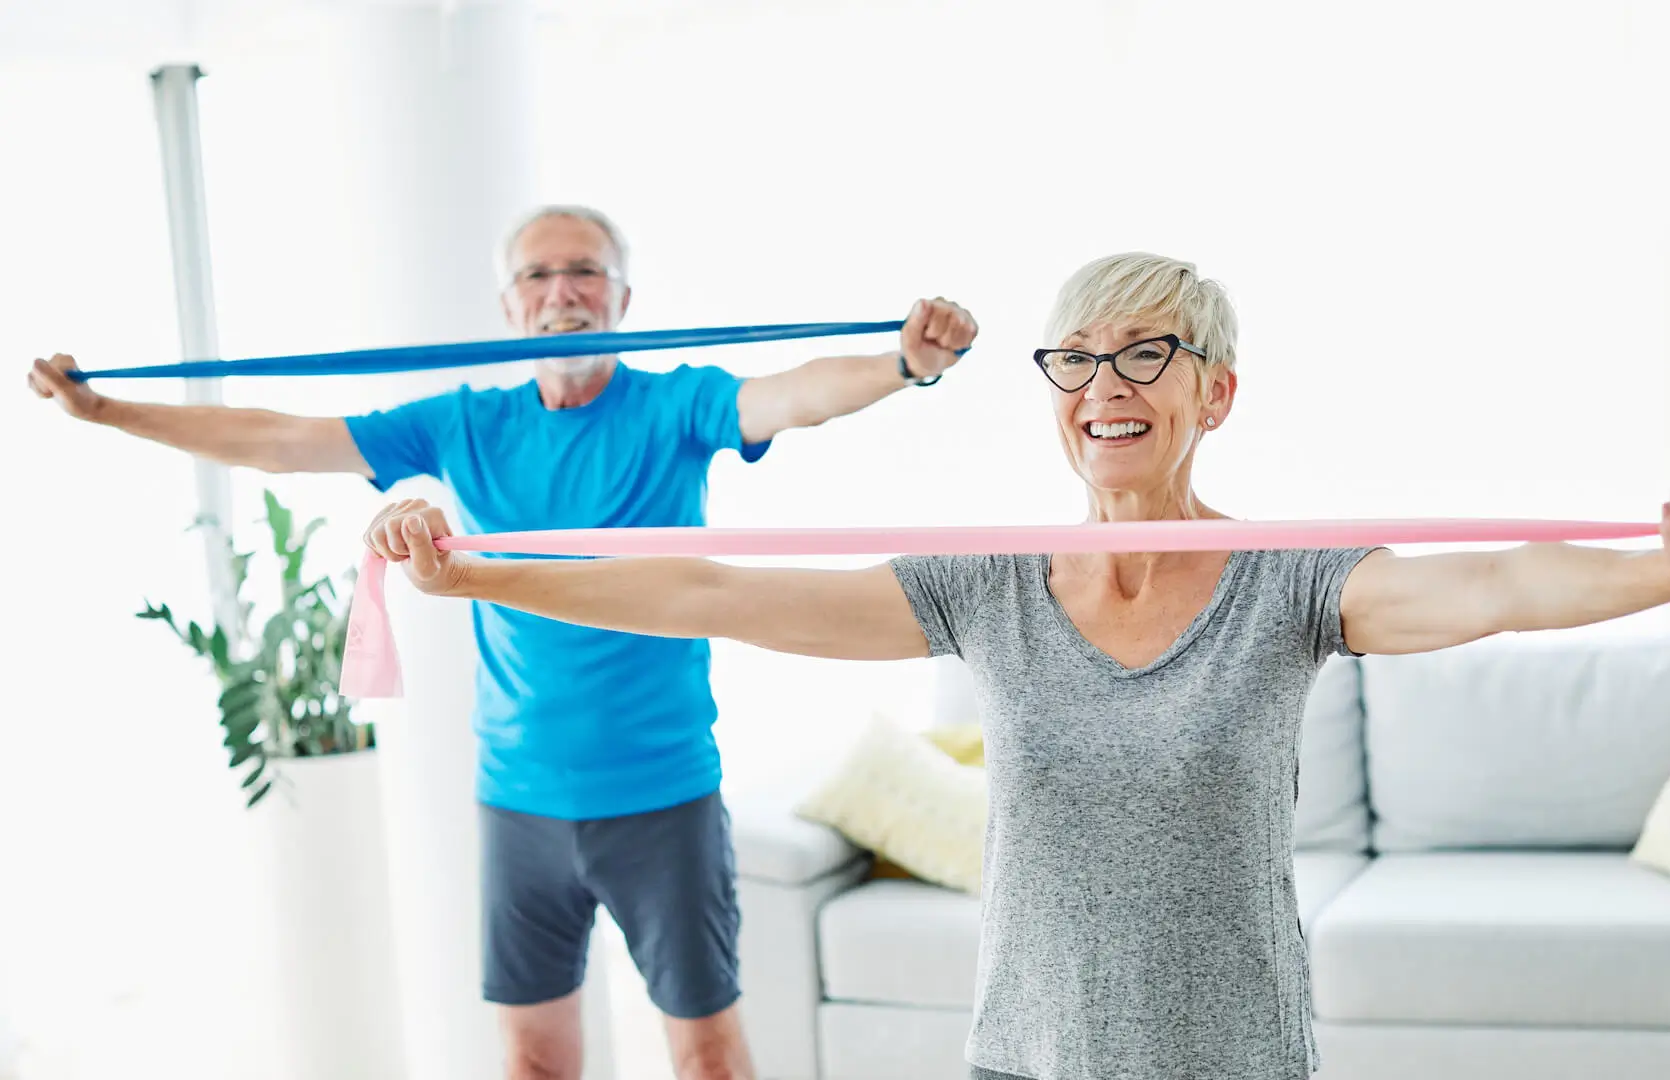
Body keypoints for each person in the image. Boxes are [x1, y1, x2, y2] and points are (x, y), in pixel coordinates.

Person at [357, 251, 1670, 1080]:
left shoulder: (1289, 579)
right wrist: (473, 568)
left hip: (1236, 1057)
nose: (1106, 387)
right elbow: (722, 590)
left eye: (1148, 355)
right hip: (1025, 1058)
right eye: (1077, 359)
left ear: (1216, 392)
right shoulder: (987, 583)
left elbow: (1505, 583)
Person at [26, 204, 977, 1080]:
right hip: (517, 805)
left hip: (663, 799)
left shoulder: (673, 405)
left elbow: (792, 394)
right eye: (537, 276)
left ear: (623, 298)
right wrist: (108, 412)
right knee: (530, 1063)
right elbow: (281, 437)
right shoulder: (468, 423)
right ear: (509, 305)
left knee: (710, 1062)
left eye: (584, 271)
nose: (562, 291)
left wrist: (904, 366)